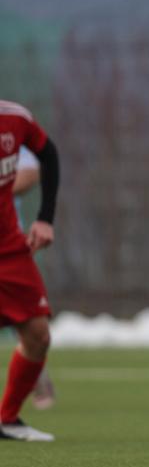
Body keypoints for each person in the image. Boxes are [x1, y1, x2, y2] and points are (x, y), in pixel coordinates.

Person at [0, 99, 60, 442]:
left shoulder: (15, 119)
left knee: (38, 334)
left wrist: (45, 219)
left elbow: (47, 155)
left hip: (9, 248)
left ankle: (7, 419)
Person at [12, 147, 56, 411]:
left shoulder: (7, 125)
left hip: (7, 243)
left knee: (28, 320)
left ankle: (34, 372)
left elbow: (30, 171)